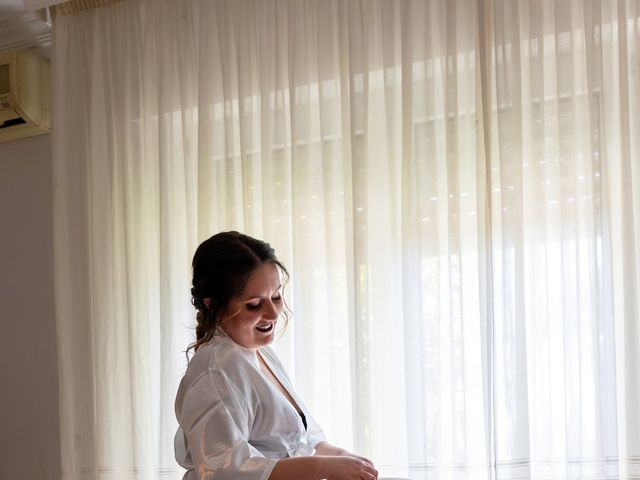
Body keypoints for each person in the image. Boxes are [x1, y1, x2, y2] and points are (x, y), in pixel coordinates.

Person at [174, 231, 378, 480]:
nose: (273, 313)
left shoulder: (261, 354)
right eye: (254, 304)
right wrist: (324, 467)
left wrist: (345, 459)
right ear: (212, 304)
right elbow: (223, 469)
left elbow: (303, 440)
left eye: (276, 296)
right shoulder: (214, 369)